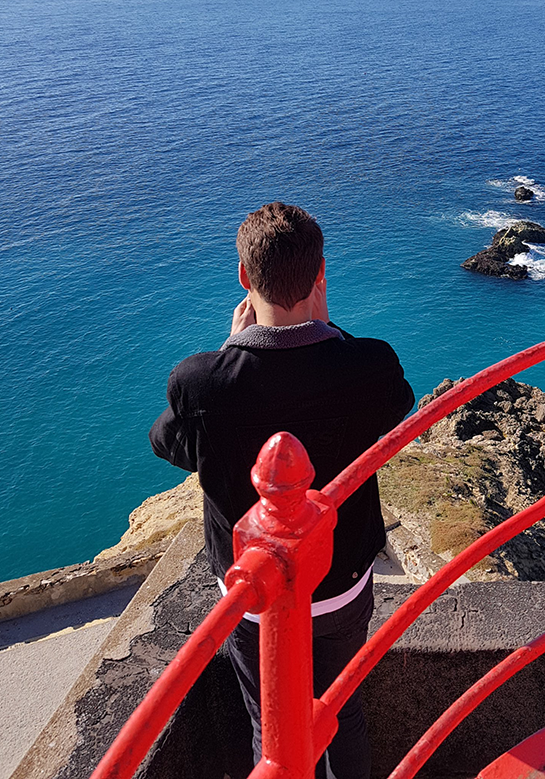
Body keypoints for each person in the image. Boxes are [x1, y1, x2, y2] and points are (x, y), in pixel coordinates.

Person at [149, 202, 414, 779]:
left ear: (245, 278)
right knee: (343, 711)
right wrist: (328, 328)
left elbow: (166, 443)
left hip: (251, 593)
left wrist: (229, 350)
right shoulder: (369, 363)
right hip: (343, 581)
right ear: (321, 272)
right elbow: (400, 405)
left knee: (269, 729)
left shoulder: (200, 381)